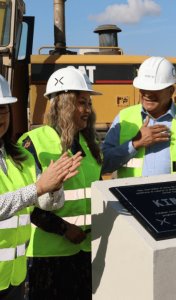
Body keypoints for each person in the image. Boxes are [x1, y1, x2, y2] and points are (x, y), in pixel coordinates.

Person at [19, 67, 102, 300]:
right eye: (80, 103)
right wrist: (64, 229)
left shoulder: (89, 143)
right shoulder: (33, 143)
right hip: (49, 255)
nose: (87, 110)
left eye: (88, 103)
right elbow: (26, 201)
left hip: (87, 251)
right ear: (62, 104)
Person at [0, 74, 81, 300]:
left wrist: (55, 186)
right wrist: (38, 187)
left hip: (13, 277)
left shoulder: (20, 156)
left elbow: (45, 205)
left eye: (3, 109)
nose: (0, 117)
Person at [102, 56, 176, 179]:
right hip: (133, 197)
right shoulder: (123, 118)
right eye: (143, 88)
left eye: (154, 89)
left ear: (171, 91)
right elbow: (104, 165)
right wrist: (136, 143)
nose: (147, 94)